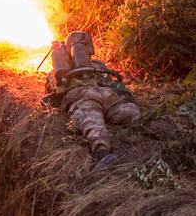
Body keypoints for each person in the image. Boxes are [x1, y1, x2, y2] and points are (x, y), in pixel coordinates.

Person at [45, 31, 140, 165]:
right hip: (106, 95)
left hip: (81, 97)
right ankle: (169, 131)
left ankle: (103, 154)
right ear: (88, 48)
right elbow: (115, 84)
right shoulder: (98, 66)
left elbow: (54, 95)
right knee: (133, 113)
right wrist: (124, 97)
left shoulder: (56, 73)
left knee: (92, 123)